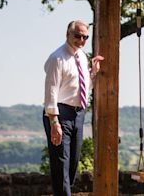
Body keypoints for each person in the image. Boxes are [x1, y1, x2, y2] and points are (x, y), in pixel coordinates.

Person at [43, 20, 104, 196]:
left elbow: (83, 87)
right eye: (77, 36)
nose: (82, 40)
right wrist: (54, 122)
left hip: (78, 115)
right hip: (60, 114)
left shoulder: (82, 57)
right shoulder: (57, 58)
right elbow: (51, 92)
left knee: (71, 167)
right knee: (61, 166)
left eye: (85, 37)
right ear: (68, 34)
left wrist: (93, 72)